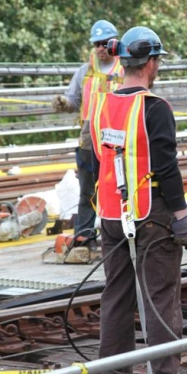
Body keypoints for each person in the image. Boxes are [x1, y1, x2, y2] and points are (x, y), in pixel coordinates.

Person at [89, 26, 187, 374]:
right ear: (151, 62)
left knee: (116, 298)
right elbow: (167, 168)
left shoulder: (102, 105)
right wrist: (183, 217)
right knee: (160, 299)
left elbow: (94, 161)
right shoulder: (155, 107)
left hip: (109, 215)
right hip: (151, 215)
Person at [52, 20, 124, 244]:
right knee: (88, 191)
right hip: (88, 139)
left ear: (114, 43)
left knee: (119, 187)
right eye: (97, 44)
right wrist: (64, 103)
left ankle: (121, 233)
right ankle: (84, 236)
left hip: (118, 139)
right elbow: (73, 100)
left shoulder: (125, 69)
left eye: (105, 43)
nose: (101, 48)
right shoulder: (85, 72)